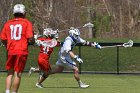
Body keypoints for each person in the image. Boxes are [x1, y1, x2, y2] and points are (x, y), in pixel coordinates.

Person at [36, 27, 101, 88]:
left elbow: (85, 42)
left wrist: (95, 45)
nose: (77, 37)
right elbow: (68, 51)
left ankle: (42, 77)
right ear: (72, 34)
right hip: (64, 57)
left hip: (62, 55)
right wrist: (76, 57)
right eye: (76, 35)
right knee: (76, 69)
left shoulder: (76, 38)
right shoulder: (68, 41)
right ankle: (81, 84)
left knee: (59, 70)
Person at [0, 4, 34, 93]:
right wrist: (31, 42)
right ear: (24, 13)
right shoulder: (26, 23)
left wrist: (8, 45)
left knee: (9, 72)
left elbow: (3, 39)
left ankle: (7, 91)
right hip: (21, 51)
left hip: (11, 51)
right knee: (18, 73)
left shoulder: (8, 23)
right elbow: (30, 38)